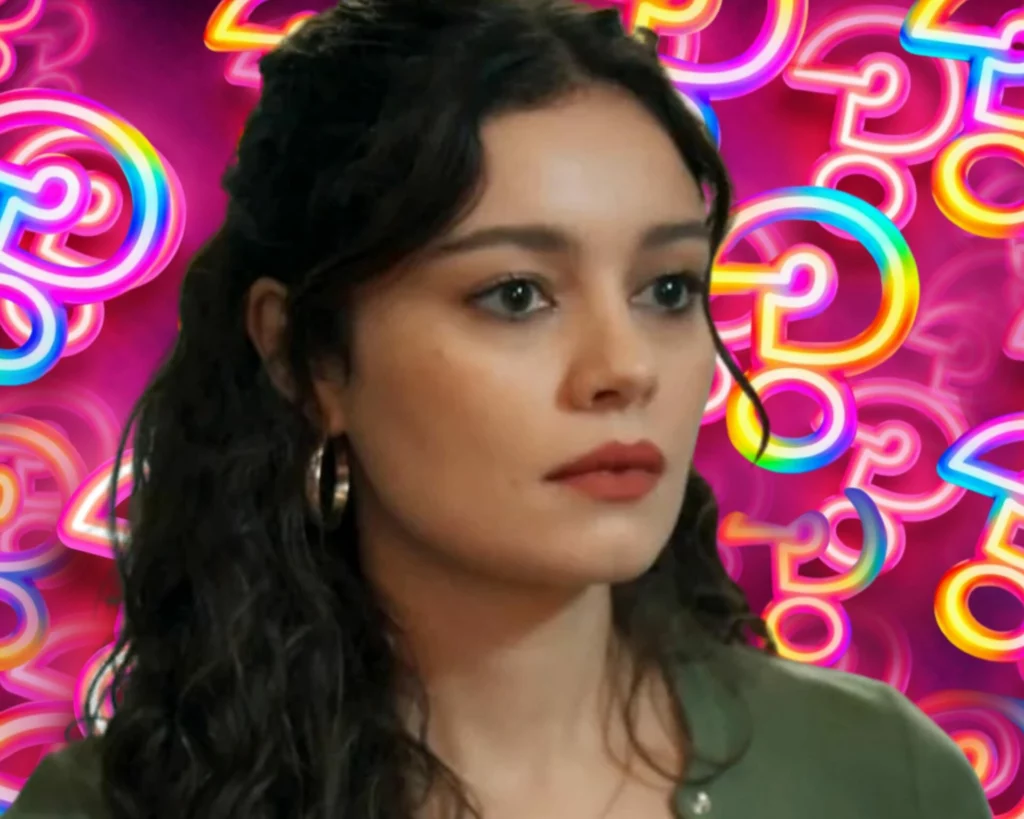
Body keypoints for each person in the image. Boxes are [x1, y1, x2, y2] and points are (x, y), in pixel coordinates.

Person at [7, 1, 991, 818]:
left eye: (667, 289)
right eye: (516, 295)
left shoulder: (880, 778)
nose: (624, 369)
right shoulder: (113, 807)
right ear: (304, 357)